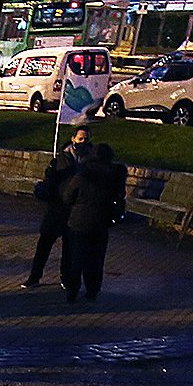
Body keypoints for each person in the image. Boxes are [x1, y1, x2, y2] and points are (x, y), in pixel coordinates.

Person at [25, 127, 93, 288]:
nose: (83, 142)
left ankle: (66, 277)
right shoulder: (60, 160)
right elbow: (50, 181)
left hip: (74, 210)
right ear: (73, 139)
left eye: (86, 139)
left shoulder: (90, 161)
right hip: (57, 208)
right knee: (44, 244)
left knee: (69, 247)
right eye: (80, 139)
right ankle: (34, 276)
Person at [61, 141, 126, 302]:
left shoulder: (81, 175)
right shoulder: (113, 176)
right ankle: (92, 291)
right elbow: (118, 197)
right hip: (101, 223)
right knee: (96, 260)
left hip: (78, 222)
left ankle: (72, 292)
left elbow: (68, 197)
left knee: (76, 258)